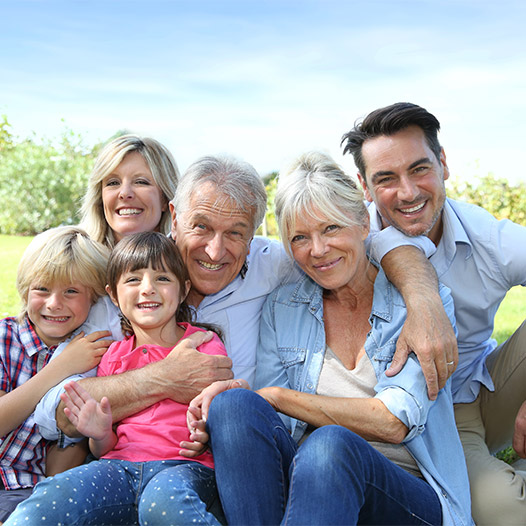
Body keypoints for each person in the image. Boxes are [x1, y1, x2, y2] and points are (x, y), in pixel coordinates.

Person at [47, 155, 454, 448]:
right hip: (129, 460)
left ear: (256, 232)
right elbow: (60, 416)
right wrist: (164, 378)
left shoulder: (277, 264)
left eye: (236, 233)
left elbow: (363, 240)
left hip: (232, 459)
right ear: (175, 216)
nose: (214, 250)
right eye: (201, 226)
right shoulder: (122, 293)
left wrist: (422, 298)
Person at [188, 152, 471, 525]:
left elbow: (394, 422)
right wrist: (245, 397)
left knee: (330, 445)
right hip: (312, 492)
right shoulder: (284, 307)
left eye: (331, 228)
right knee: (233, 405)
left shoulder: (420, 308)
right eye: (300, 238)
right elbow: (277, 427)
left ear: (362, 223)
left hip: (406, 495)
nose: (317, 250)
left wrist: (276, 397)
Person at [341, 102, 526, 525]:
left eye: (420, 168)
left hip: (485, 389)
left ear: (443, 164)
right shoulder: (349, 241)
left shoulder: (491, 240)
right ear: (364, 188)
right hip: (418, 417)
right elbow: (392, 248)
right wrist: (423, 300)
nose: (407, 192)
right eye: (386, 178)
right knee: (501, 510)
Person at [6, 232, 228, 526]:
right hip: (119, 467)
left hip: (184, 465)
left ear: (184, 288)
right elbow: (105, 446)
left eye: (162, 278)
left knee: (162, 504)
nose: (147, 289)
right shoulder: (112, 355)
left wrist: (206, 432)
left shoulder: (203, 343)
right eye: (133, 280)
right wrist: (98, 433)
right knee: (54, 496)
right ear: (113, 295)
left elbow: (221, 401)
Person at [34, 133, 186, 444]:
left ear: (166, 197)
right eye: (112, 183)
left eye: (142, 181)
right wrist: (165, 378)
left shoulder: (187, 267)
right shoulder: (81, 276)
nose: (125, 193)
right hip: (101, 453)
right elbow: (56, 412)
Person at [0, 226, 111, 523]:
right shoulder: (4, 337)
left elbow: (62, 461)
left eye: (71, 291)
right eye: (42, 289)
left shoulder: (90, 355)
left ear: (95, 298)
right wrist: (60, 368)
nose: (54, 303)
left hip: (24, 488)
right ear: (25, 290)